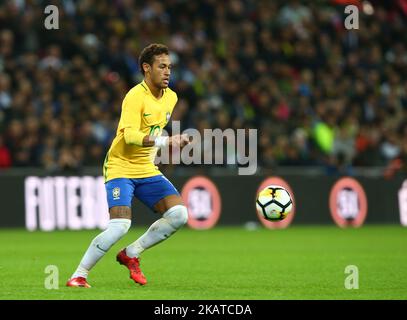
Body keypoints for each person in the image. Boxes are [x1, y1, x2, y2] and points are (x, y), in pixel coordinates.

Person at [66, 44, 190, 287]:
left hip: (145, 168)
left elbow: (154, 127)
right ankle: (78, 275)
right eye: (162, 66)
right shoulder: (134, 96)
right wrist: (166, 141)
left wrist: (169, 142)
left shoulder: (171, 97)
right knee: (120, 225)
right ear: (147, 68)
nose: (167, 72)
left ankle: (131, 253)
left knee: (178, 215)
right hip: (120, 166)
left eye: (170, 67)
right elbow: (131, 135)